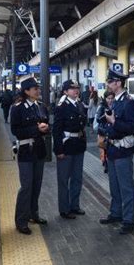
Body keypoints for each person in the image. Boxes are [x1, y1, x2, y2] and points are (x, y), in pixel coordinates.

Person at [99, 69, 134, 235]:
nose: (108, 85)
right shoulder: (115, 101)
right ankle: (116, 213)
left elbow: (133, 127)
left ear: (118, 83)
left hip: (123, 150)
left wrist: (114, 122)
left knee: (126, 187)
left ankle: (129, 220)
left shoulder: (129, 103)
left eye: (110, 82)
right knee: (114, 185)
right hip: (113, 149)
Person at [10, 78, 50, 235]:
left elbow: (46, 124)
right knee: (26, 186)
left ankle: (34, 214)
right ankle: (21, 220)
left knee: (37, 184)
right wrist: (36, 129)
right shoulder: (17, 108)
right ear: (26, 91)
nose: (38, 91)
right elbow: (16, 131)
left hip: (39, 150)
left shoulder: (40, 107)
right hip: (26, 151)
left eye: (38, 88)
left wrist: (46, 128)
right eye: (35, 89)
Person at [53, 79, 87, 219]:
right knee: (63, 179)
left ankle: (75, 205)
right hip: (66, 146)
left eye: (77, 88)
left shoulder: (79, 104)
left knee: (77, 178)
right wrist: (58, 150)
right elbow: (56, 130)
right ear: (65, 91)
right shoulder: (61, 107)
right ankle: (64, 209)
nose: (76, 90)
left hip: (78, 145)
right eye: (72, 89)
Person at [95, 91, 115, 173]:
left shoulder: (115, 105)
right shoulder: (102, 107)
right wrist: (106, 116)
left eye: (112, 98)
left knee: (111, 148)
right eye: (108, 98)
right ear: (105, 98)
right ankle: (105, 164)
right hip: (103, 131)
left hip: (112, 131)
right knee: (104, 149)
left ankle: (109, 164)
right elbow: (98, 119)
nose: (110, 100)